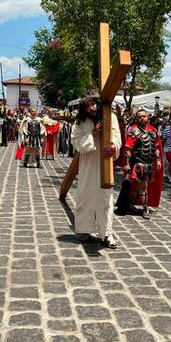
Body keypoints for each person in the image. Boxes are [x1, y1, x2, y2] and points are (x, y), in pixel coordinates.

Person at [71, 96, 122, 248]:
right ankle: (84, 229)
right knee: (85, 195)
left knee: (105, 198)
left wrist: (113, 146)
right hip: (88, 164)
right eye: (88, 106)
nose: (92, 108)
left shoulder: (111, 117)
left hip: (104, 163)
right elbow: (76, 143)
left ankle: (106, 233)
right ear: (83, 108)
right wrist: (92, 133)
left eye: (93, 104)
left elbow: (117, 136)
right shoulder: (80, 122)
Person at [122, 110, 163, 219]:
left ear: (148, 117)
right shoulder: (134, 131)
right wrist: (127, 164)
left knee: (138, 186)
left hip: (149, 163)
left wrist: (158, 160)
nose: (142, 118)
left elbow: (156, 148)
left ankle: (130, 205)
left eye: (144, 116)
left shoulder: (153, 130)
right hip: (139, 163)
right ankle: (145, 209)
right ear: (136, 118)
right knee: (144, 186)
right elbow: (128, 149)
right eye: (140, 117)